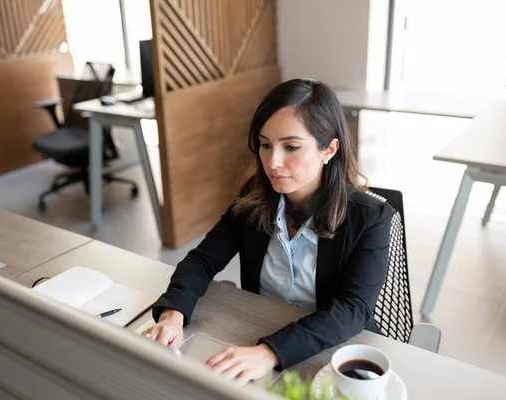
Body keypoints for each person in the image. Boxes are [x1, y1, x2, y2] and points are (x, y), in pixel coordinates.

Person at [142, 78, 394, 384]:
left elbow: (351, 309)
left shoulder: (371, 218)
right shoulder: (254, 198)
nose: (273, 162)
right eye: (265, 145)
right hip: (255, 328)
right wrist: (173, 314)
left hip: (330, 351)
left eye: (291, 147)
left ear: (328, 149)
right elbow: (202, 260)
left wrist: (268, 352)